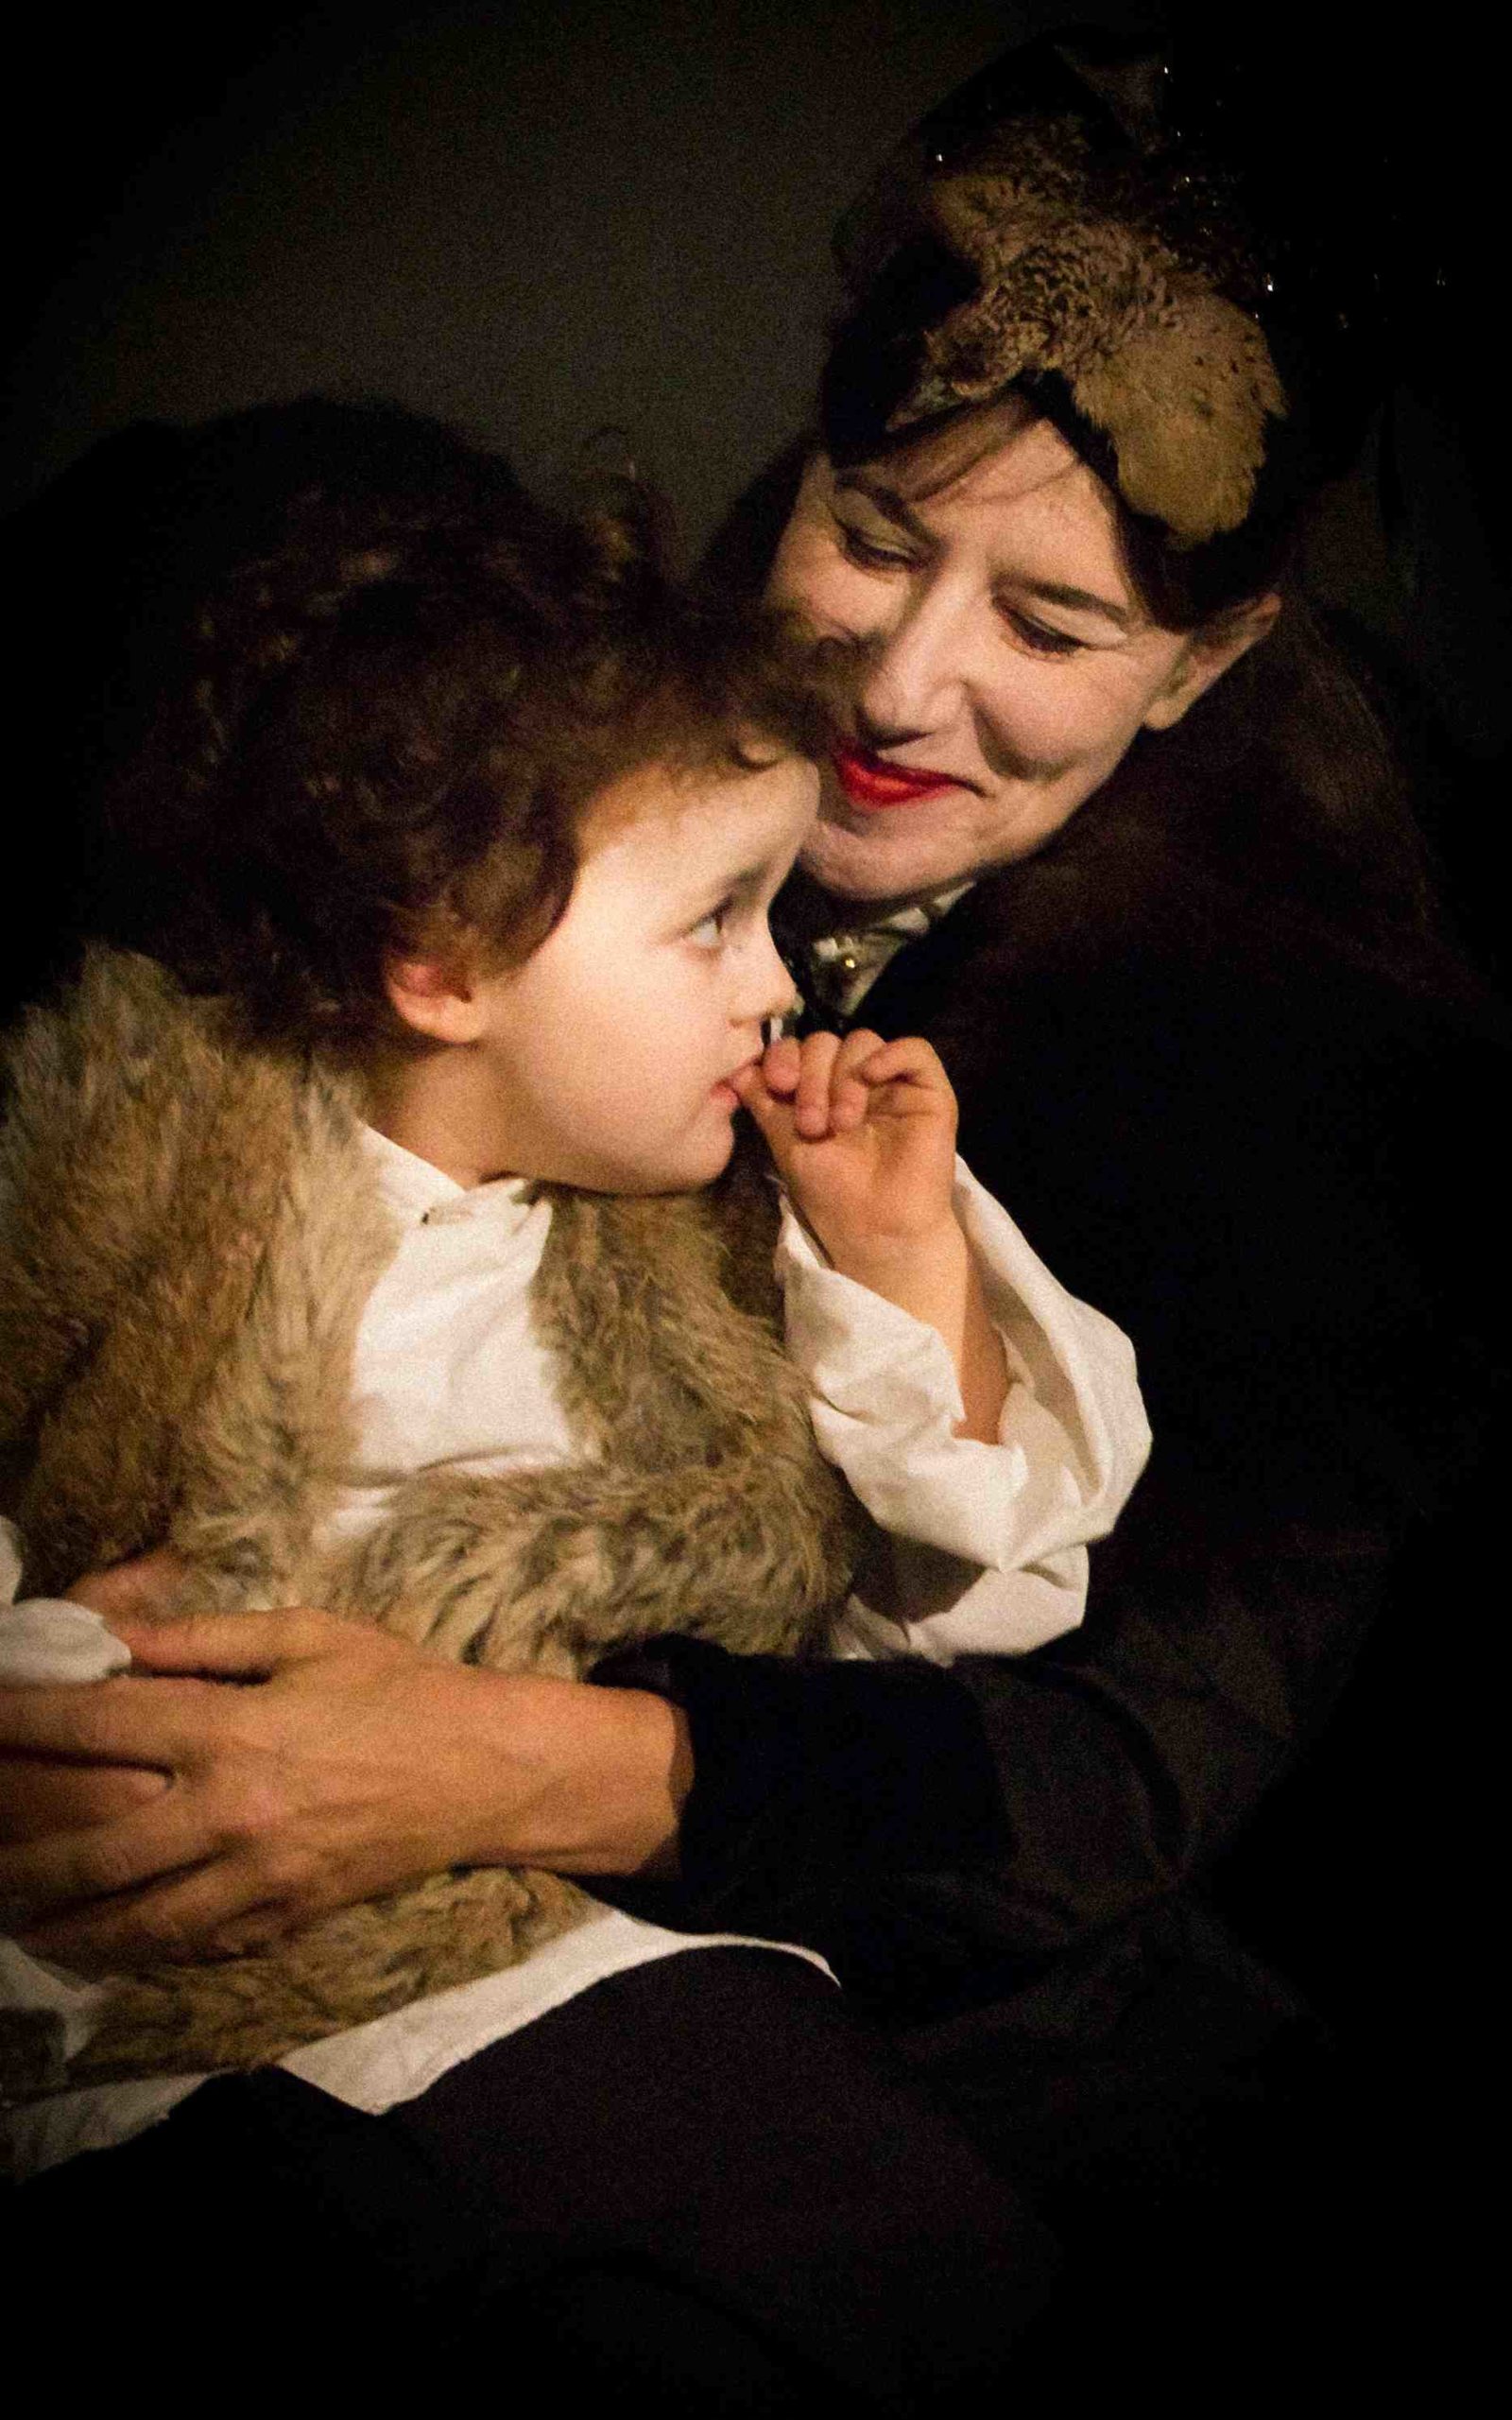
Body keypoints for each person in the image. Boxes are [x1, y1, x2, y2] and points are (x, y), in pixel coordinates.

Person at [1, 26, 1502, 2387]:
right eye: (874, 537)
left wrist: (506, 1752)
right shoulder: (550, 751)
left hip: (907, 2000)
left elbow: (1103, 1758)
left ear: (1199, 663)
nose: (898, 682)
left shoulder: (1296, 1075)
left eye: (1050, 628)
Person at [1, 428, 1150, 2400]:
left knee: (851, 2265)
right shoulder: (158, 1135)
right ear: (442, 962)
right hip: (125, 1992)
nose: (777, 989)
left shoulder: (727, 1244)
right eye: (715, 919)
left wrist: (903, 1266)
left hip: (532, 1972)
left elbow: (965, 1610)